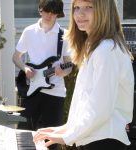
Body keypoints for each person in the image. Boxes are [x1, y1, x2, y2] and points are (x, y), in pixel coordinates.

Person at [33, 0, 134, 150]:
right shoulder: (95, 47)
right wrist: (64, 129)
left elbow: (101, 109)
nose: (80, 14)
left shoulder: (106, 50)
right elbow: (86, 102)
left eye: (88, 7)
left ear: (104, 11)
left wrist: (67, 136)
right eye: (77, 8)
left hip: (104, 141)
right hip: (96, 138)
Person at [12, 0, 72, 133]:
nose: (49, 15)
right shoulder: (29, 31)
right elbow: (16, 57)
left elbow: (69, 65)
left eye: (53, 12)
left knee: (51, 139)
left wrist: (62, 71)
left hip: (55, 92)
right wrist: (25, 68)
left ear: (59, 14)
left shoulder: (65, 35)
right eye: (46, 11)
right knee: (24, 133)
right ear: (40, 10)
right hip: (32, 91)